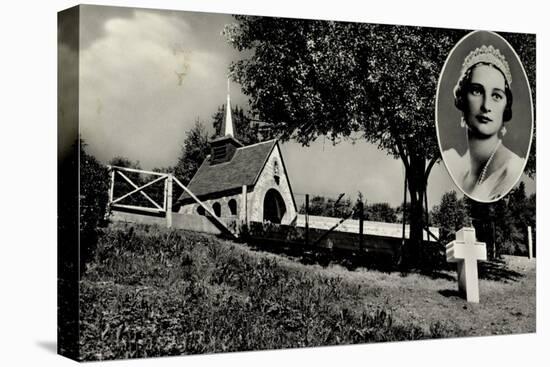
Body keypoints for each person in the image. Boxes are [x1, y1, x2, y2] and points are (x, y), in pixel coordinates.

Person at [443, 45, 524, 202]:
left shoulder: (512, 168)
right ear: (462, 99)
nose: (486, 106)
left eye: (496, 95)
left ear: (505, 106)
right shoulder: (458, 170)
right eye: (477, 91)